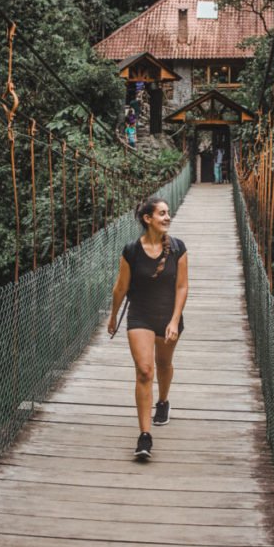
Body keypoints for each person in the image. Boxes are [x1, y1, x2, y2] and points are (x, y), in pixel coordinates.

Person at [108, 196, 189, 458]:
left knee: (163, 364)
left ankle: (163, 401)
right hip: (140, 315)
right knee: (144, 371)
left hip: (167, 315)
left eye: (168, 213)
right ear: (148, 219)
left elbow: (182, 286)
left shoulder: (178, 248)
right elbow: (121, 287)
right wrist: (112, 317)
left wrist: (175, 320)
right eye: (162, 214)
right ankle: (145, 436)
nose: (167, 217)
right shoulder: (131, 251)